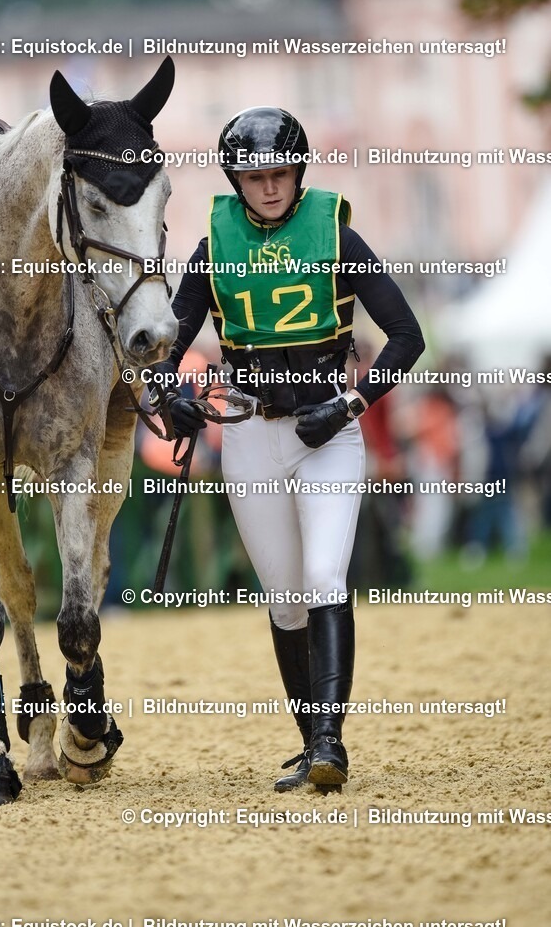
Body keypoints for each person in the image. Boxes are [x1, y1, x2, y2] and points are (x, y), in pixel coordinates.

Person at [154, 107, 425, 791]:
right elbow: (167, 349)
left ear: (299, 172)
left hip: (326, 435)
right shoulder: (213, 248)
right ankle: (310, 746)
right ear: (235, 181)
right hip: (249, 434)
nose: (269, 186)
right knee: (284, 601)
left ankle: (331, 743)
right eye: (255, 177)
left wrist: (349, 405)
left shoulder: (336, 234)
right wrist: (170, 395)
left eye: (279, 173)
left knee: (326, 578)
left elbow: (407, 335)